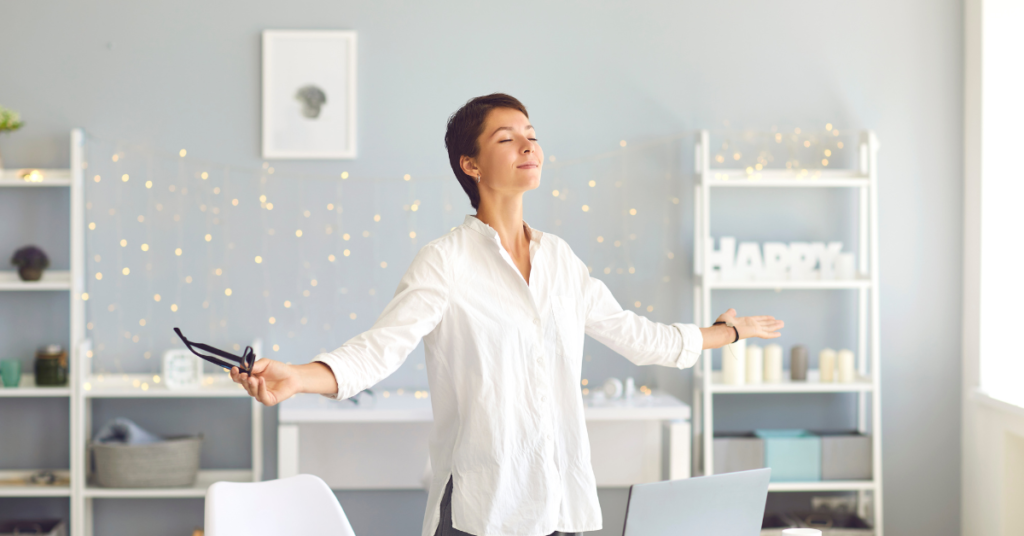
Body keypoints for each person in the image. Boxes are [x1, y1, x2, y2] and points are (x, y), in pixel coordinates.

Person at [230, 93, 784, 536]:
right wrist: (299, 377)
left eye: (532, 136)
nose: (528, 146)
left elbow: (640, 338)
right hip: (481, 508)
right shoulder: (445, 261)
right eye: (508, 138)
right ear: (470, 164)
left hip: (557, 502)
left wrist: (728, 332)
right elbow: (380, 350)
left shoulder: (561, 261)